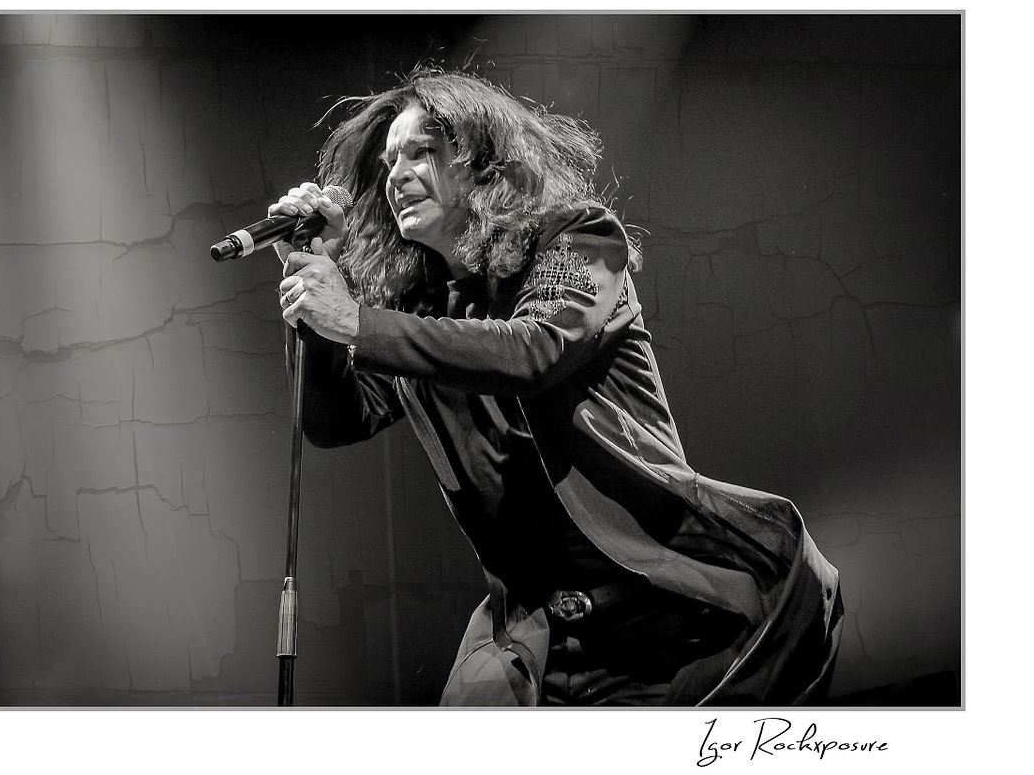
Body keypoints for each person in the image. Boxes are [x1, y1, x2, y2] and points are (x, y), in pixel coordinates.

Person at [270, 69, 842, 706]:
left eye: (422, 152)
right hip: (539, 641)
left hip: (663, 618)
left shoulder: (577, 239)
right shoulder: (421, 306)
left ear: (483, 161)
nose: (397, 174)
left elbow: (534, 349)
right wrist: (320, 299)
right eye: (389, 161)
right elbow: (336, 421)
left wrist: (355, 320)